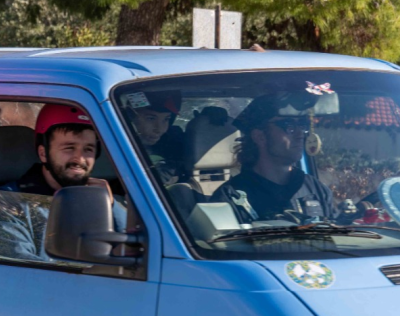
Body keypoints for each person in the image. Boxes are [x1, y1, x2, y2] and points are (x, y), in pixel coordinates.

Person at [0, 104, 126, 261]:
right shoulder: (9, 200)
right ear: (43, 153)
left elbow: (136, 252)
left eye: (88, 149)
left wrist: (111, 206)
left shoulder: (103, 199)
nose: (80, 159)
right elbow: (17, 266)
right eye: (69, 148)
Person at [211, 91, 336, 223]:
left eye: (302, 125)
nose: (300, 134)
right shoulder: (231, 197)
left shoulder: (316, 189)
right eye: (289, 126)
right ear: (260, 136)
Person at [119, 90, 185, 185]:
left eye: (166, 119)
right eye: (151, 118)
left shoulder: (174, 144)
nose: (159, 129)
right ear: (130, 117)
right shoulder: (114, 144)